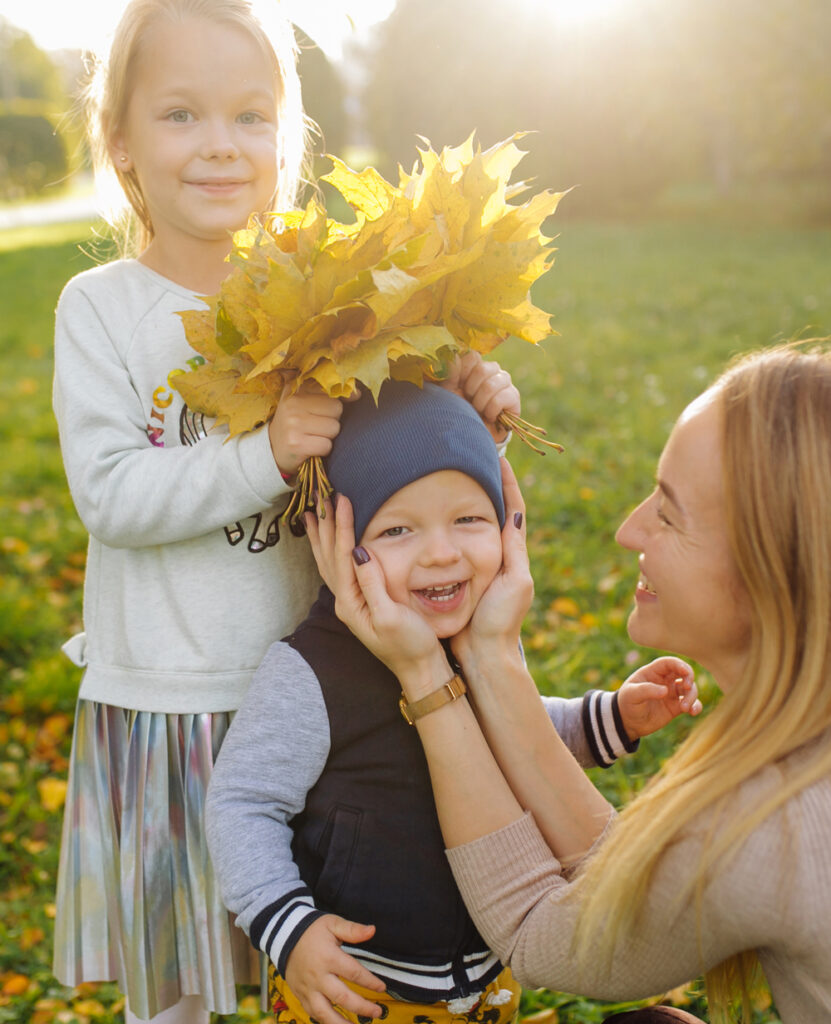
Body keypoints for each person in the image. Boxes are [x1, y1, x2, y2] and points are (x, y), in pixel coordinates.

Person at [49, 3, 519, 1021]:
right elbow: (113, 494)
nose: (221, 144)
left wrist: (468, 406)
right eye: (180, 115)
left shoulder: (325, 298)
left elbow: (399, 467)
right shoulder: (101, 308)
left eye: (250, 116)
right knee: (178, 985)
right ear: (122, 141)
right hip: (171, 702)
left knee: (320, 959)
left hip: (323, 695)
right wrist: (263, 452)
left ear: (286, 137)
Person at [308, 345, 831, 1024]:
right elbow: (624, 880)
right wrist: (489, 652)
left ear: (776, 564)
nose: (627, 530)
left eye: (667, 515)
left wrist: (423, 672)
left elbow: (547, 935)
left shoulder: (782, 819)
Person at [205, 380, 701, 1024]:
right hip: (360, 990)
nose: (442, 553)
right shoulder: (313, 670)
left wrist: (604, 718)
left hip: (485, 982)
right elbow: (244, 802)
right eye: (398, 529)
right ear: (333, 538)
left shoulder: (474, 639)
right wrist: (288, 925)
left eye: (469, 519)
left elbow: (511, 740)